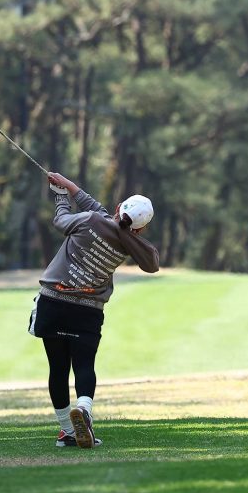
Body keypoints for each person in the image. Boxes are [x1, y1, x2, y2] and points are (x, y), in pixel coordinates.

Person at [28, 171, 160, 449]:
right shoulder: (127, 240)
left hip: (54, 302)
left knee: (58, 368)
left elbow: (61, 221)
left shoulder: (91, 220)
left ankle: (68, 431)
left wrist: (61, 197)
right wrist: (71, 186)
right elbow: (149, 260)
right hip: (88, 311)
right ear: (141, 229)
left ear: (118, 207)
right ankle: (84, 410)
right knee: (84, 365)